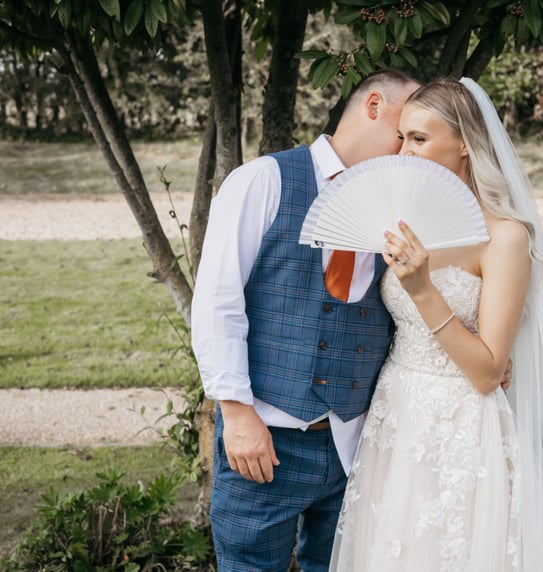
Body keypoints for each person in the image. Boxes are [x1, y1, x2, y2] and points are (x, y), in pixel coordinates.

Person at [329, 78, 543, 571]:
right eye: (402, 137)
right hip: (396, 413)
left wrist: (423, 290)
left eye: (419, 139)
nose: (403, 152)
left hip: (461, 425)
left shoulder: (504, 237)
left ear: (465, 145)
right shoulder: (405, 221)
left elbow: (487, 372)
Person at [190, 69, 421, 572]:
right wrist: (237, 413)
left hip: (356, 445)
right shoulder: (263, 180)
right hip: (264, 439)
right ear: (374, 106)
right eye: (404, 134)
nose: (408, 152)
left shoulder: (399, 207)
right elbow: (217, 303)